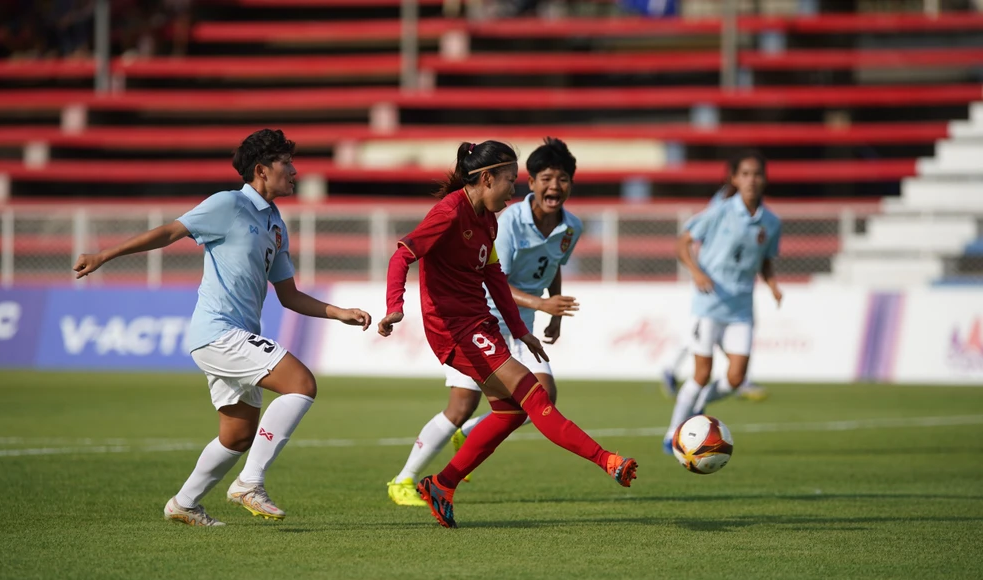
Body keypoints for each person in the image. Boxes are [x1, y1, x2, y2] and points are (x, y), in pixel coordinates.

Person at [73, 129, 372, 526]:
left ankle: (184, 503)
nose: (295, 171)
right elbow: (169, 232)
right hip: (217, 332)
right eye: (287, 163)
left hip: (238, 336)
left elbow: (289, 295)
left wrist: (340, 312)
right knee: (302, 384)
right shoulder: (227, 204)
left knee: (237, 436)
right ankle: (250, 482)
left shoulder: (276, 223)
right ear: (262, 170)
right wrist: (104, 255)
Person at [377, 139, 637, 529]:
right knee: (532, 396)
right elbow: (403, 254)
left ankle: (442, 485)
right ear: (486, 179)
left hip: (482, 323)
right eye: (510, 182)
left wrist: (520, 330)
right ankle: (607, 461)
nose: (513, 190)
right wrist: (394, 306)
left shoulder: (489, 219)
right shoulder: (448, 213)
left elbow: (494, 276)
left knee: (511, 412)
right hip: (453, 328)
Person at [662, 150, 782, 453]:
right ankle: (672, 432)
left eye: (757, 174)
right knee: (702, 373)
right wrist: (697, 272)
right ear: (734, 179)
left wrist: (772, 284)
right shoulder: (719, 211)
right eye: (745, 174)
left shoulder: (771, 222)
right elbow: (682, 243)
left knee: (736, 377)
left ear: (765, 179)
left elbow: (765, 260)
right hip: (710, 304)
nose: (751, 180)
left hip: (741, 308)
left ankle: (697, 407)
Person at [661, 183, 769, 403]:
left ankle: (676, 370)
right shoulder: (724, 207)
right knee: (706, 337)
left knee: (711, 336)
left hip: (724, 285)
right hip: (712, 280)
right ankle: (677, 373)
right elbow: (690, 238)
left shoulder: (739, 204)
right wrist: (698, 271)